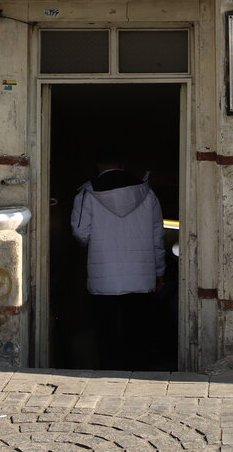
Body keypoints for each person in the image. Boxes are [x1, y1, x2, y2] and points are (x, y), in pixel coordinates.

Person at [71, 152, 165, 370]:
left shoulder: (87, 193)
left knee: (107, 335)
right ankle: (137, 375)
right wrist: (159, 273)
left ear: (97, 164)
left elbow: (80, 234)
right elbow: (157, 238)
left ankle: (109, 375)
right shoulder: (147, 193)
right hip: (142, 281)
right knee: (137, 335)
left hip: (104, 282)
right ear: (124, 163)